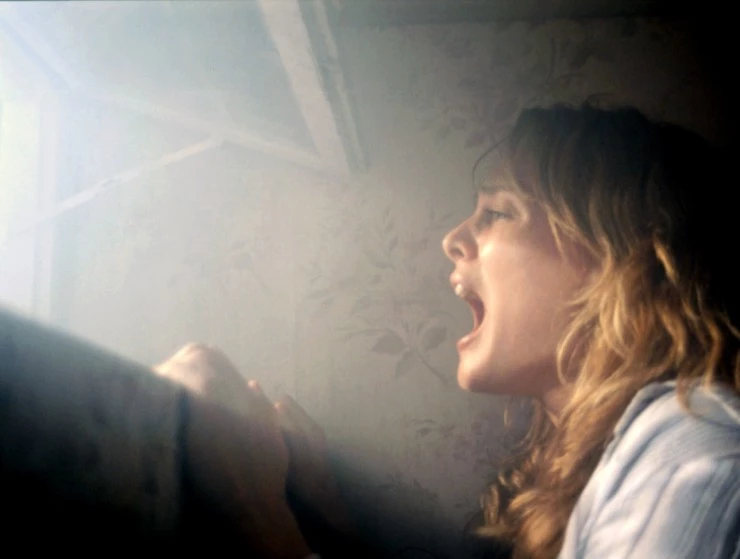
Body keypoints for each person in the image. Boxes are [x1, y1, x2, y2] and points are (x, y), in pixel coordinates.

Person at [172, 103, 740, 558]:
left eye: (498, 212)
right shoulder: (612, 459)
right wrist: (326, 510)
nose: (452, 239)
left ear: (623, 256)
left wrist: (251, 511)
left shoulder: (690, 461)